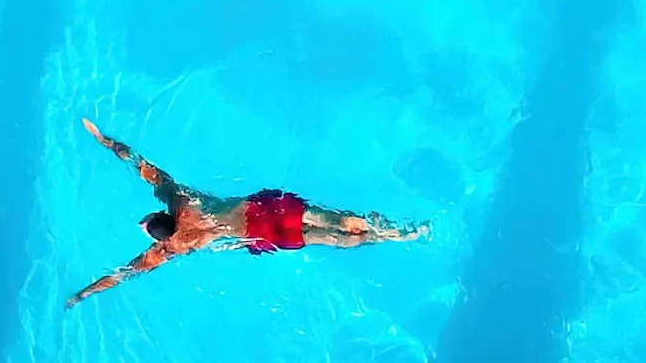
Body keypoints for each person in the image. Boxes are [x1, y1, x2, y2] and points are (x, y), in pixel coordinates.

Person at [68, 118, 429, 304]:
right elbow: (138, 162)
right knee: (335, 220)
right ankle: (400, 230)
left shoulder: (176, 246)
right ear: (159, 213)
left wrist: (83, 294)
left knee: (329, 239)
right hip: (264, 209)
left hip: (263, 235)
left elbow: (125, 273)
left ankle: (393, 240)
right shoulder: (179, 197)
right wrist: (104, 140)